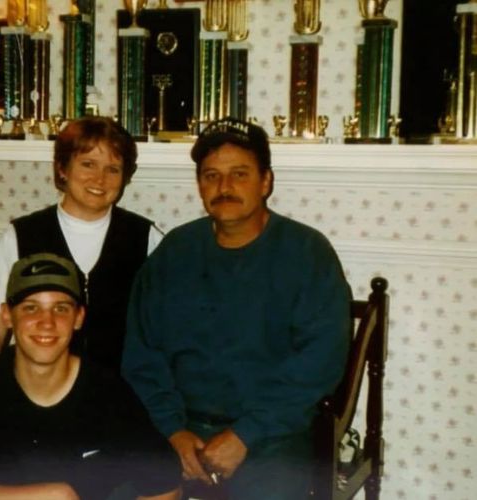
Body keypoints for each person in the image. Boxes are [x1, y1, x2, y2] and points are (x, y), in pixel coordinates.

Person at [121, 117, 352, 499]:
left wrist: (247, 434)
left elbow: (319, 362)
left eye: (239, 174)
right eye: (211, 175)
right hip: (180, 429)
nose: (224, 187)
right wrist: (172, 431)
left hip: (272, 436)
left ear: (266, 181)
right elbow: (142, 356)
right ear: (199, 185)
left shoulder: (307, 254)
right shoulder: (174, 253)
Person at [0, 253, 181, 500]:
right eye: (31, 308)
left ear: (78, 318)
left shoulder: (107, 392)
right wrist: (50, 495)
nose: (46, 322)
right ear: (7, 315)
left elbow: (165, 486)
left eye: (61, 308)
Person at [0, 116, 162, 371]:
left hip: (120, 394)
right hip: (41, 390)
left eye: (112, 169)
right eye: (88, 164)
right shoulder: (22, 235)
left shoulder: (146, 238)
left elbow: (168, 328)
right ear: (62, 168)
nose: (99, 179)